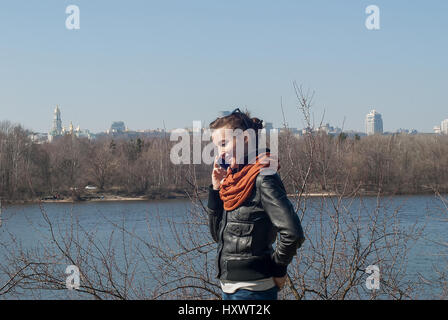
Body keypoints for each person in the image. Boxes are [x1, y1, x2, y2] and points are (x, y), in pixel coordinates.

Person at [206, 108, 305, 300]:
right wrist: (216, 190)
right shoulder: (233, 181)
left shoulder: (263, 178)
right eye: (217, 147)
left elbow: (293, 233)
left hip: (253, 290)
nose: (220, 153)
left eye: (224, 144)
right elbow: (217, 236)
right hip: (229, 287)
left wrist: (278, 269)